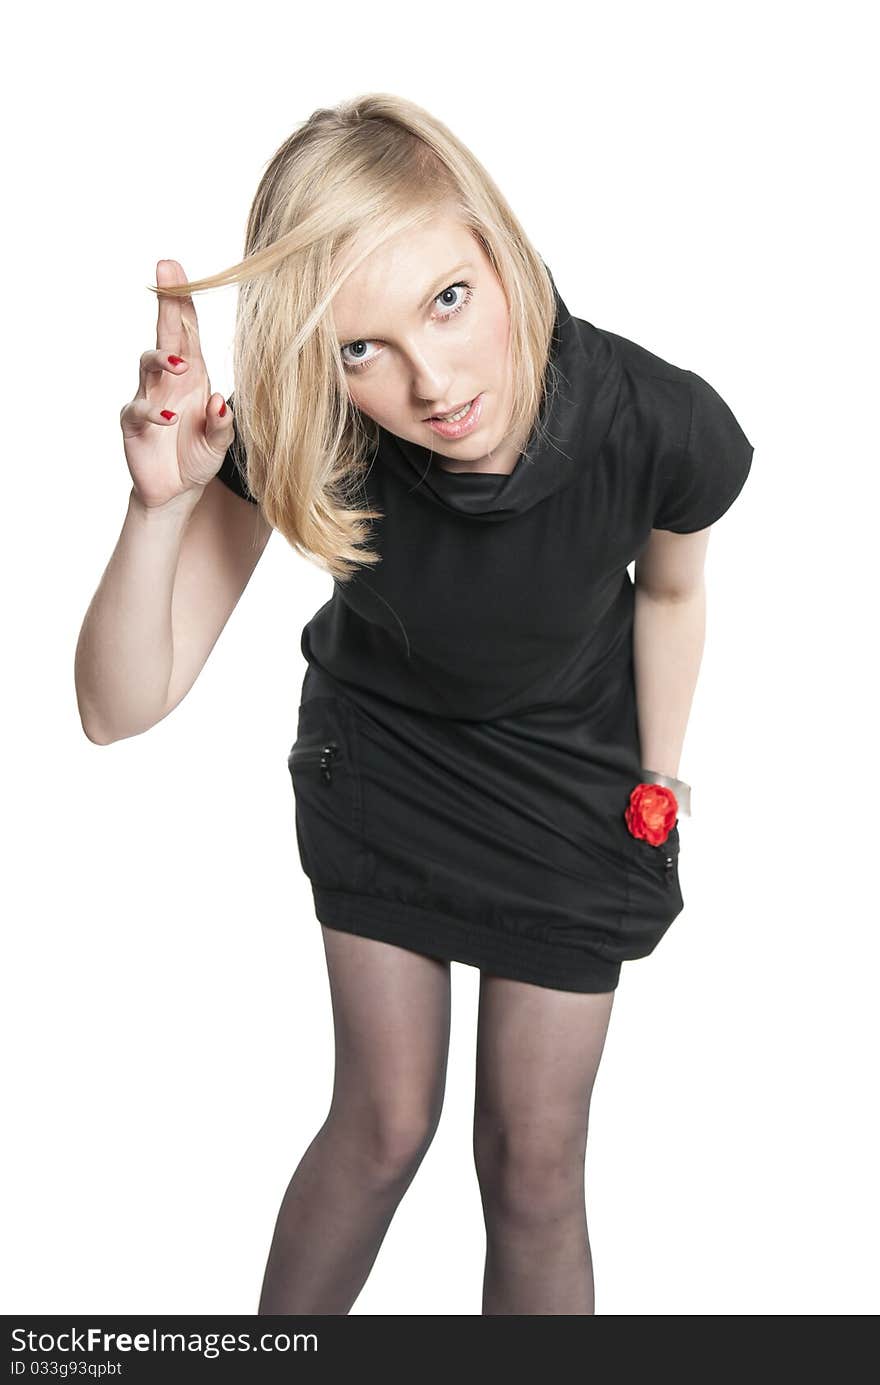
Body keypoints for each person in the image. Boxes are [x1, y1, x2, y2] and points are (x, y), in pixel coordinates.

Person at [74, 92, 754, 1316]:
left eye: (447, 299)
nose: (432, 381)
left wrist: (657, 773)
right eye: (357, 348)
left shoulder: (661, 420)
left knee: (534, 1168)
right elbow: (120, 706)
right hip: (383, 764)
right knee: (384, 1124)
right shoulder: (316, 438)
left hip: (570, 780)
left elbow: (671, 592)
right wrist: (159, 507)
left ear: (495, 246)